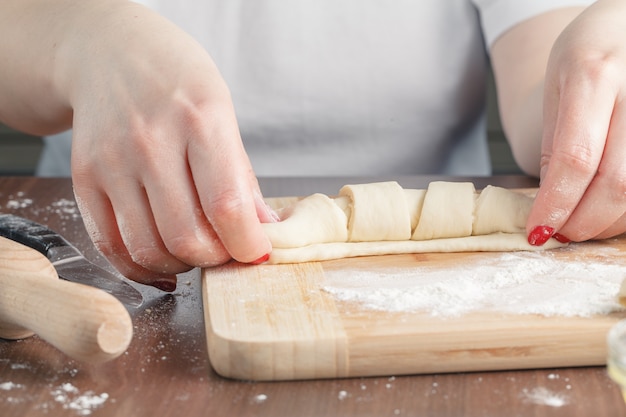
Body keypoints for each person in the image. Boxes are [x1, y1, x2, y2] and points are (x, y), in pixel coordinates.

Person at [1, 0, 623, 292]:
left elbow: (540, 80)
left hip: (447, 270)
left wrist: (598, 80)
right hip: (101, 251)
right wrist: (83, 38)